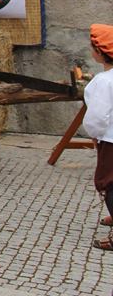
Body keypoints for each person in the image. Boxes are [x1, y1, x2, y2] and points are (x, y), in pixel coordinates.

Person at [83, 24, 113, 251]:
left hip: (111, 139)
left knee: (108, 182)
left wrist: (94, 134)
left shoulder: (104, 82)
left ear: (101, 52)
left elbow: (97, 116)